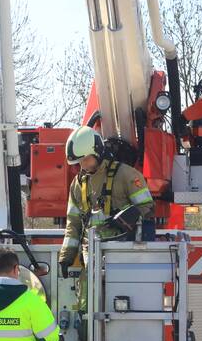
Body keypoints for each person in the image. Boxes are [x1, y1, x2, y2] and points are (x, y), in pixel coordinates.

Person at [58, 126, 155, 311]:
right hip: (92, 255)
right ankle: (87, 340)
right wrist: (66, 257)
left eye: (86, 159)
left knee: (122, 305)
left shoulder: (126, 175)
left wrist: (127, 217)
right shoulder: (78, 184)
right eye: (79, 162)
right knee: (86, 306)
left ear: (98, 151)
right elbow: (74, 223)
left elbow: (147, 207)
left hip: (124, 253)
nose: (83, 165)